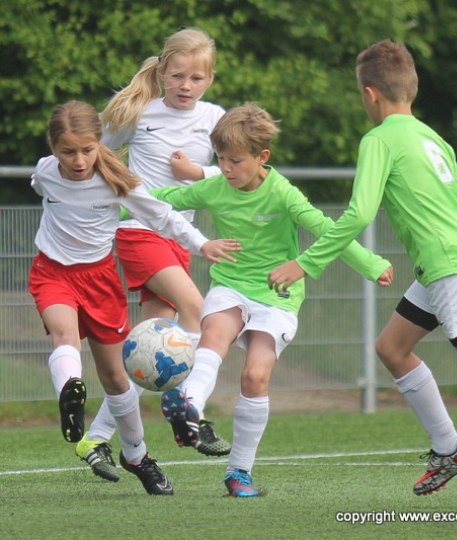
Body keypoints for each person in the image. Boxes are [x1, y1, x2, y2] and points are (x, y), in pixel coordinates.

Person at [268, 39, 457, 507]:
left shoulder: (378, 139)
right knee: (392, 348)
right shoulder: (429, 135)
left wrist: (306, 263)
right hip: (454, 260)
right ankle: (450, 449)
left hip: (450, 267)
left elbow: (359, 214)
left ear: (370, 93)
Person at [143, 102, 393, 497]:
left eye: (235, 161)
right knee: (214, 335)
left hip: (278, 296)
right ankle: (188, 406)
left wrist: (371, 263)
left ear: (262, 158)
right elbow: (161, 197)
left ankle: (239, 472)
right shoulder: (215, 187)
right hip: (230, 283)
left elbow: (328, 229)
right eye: (221, 158)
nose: (225, 168)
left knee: (255, 376)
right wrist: (103, 201)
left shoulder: (283, 194)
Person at [28, 100, 240, 495]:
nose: (78, 160)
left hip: (99, 280)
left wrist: (202, 243)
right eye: (67, 152)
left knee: (116, 379)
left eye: (87, 150)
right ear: (53, 149)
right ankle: (70, 395)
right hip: (52, 272)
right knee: (64, 335)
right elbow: (40, 184)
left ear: (99, 144)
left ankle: (137, 455)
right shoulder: (45, 172)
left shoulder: (117, 182)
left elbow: (164, 216)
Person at [75, 27, 229, 482]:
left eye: (196, 78)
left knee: (149, 357)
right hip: (139, 232)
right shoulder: (141, 113)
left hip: (180, 239)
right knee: (200, 311)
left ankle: (97, 438)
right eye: (178, 75)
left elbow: (239, 168)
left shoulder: (215, 118)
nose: (186, 85)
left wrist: (198, 171)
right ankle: (187, 408)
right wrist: (116, 186)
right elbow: (93, 151)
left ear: (210, 79)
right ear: (162, 72)